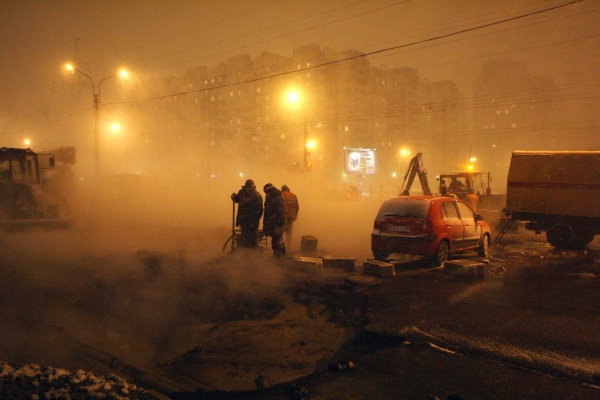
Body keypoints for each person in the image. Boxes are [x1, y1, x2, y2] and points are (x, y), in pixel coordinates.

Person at [231, 179, 263, 248]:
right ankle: (245, 253)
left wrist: (254, 222)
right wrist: (234, 197)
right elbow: (237, 199)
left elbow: (259, 211)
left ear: (253, 187)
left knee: (252, 238)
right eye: (247, 187)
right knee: (244, 237)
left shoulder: (257, 196)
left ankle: (253, 253)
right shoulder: (242, 193)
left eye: (250, 187)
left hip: (252, 222)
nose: (248, 189)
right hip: (243, 220)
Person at [263, 183, 287, 256]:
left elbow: (282, 213)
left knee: (276, 241)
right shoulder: (270, 197)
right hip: (273, 223)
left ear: (271, 190)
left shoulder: (279, 198)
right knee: (277, 239)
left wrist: (279, 226)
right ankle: (281, 255)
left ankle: (278, 257)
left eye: (267, 192)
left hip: (277, 223)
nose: (267, 194)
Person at [281, 184, 299, 250]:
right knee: (289, 231)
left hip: (283, 216)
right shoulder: (293, 195)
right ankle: (288, 246)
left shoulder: (281, 194)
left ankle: (282, 246)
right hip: (291, 216)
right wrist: (295, 216)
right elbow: (297, 207)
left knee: (281, 231)